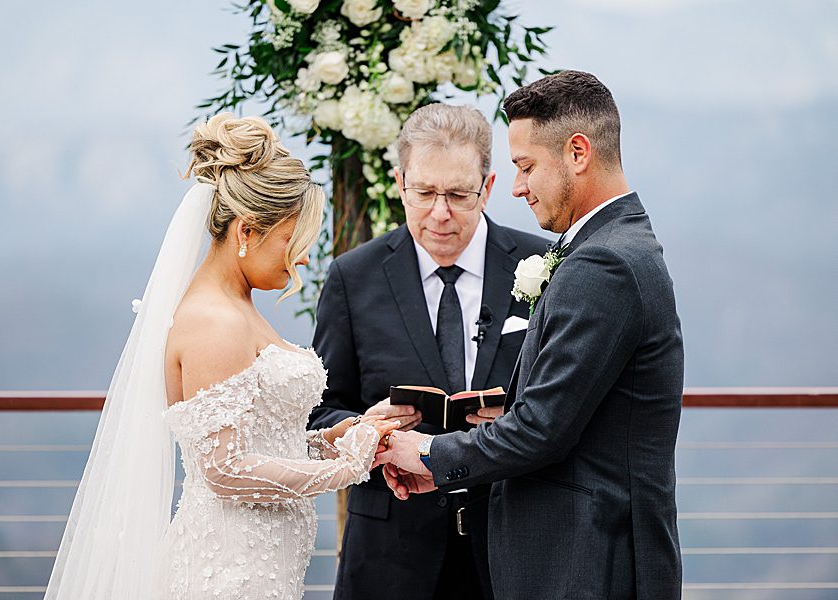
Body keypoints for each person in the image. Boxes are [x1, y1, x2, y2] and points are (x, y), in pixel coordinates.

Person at [45, 114, 398, 600]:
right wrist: (346, 469)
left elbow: (255, 437)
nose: (301, 260)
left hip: (260, 567)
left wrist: (328, 441)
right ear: (247, 232)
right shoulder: (215, 321)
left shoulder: (236, 305)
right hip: (230, 572)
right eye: (291, 242)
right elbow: (225, 469)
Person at [378, 71, 684, 600]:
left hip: (590, 563)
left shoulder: (604, 263)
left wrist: (429, 454)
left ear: (578, 153)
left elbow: (541, 430)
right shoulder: (611, 246)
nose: (517, 186)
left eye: (525, 167)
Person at [308, 104, 550, 600]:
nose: (440, 212)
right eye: (424, 193)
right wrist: (365, 430)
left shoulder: (542, 265)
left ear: (487, 187)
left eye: (459, 195)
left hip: (512, 545)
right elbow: (318, 413)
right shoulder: (353, 278)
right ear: (400, 183)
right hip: (389, 555)